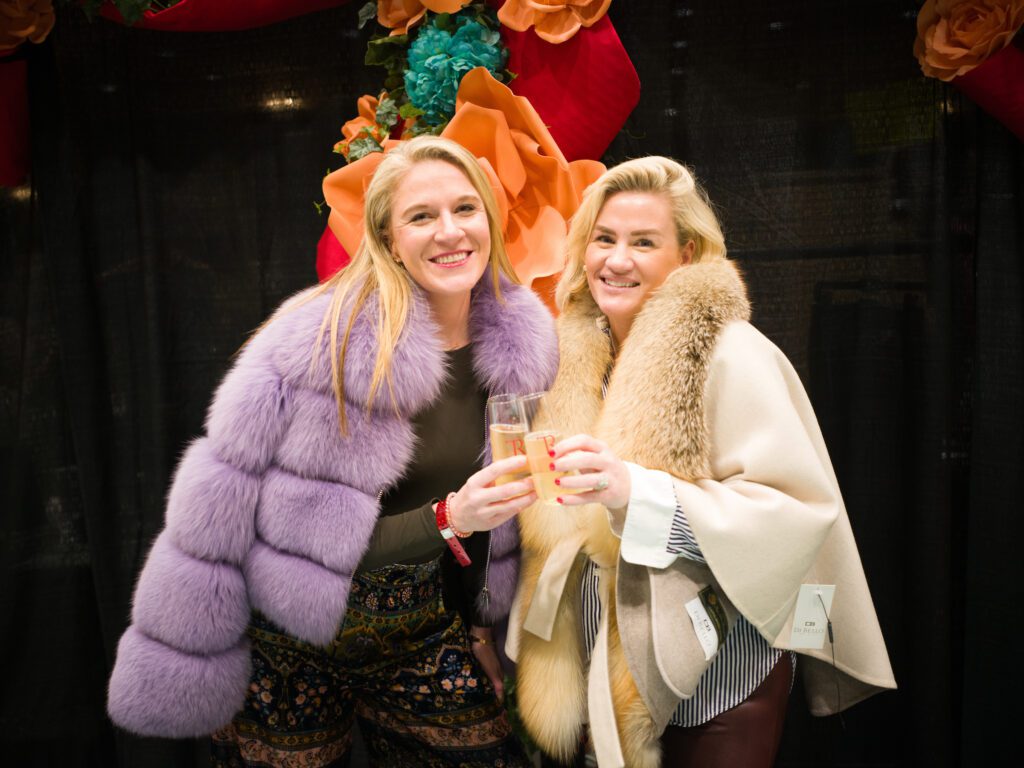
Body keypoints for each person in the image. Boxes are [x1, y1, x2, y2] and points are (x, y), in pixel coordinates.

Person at [107, 135, 559, 767]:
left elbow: (501, 514)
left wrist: (480, 624)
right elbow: (258, 519)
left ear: (491, 218)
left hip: (417, 624)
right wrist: (450, 518)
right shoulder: (324, 335)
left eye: (465, 208)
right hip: (290, 633)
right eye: (421, 216)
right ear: (389, 239)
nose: (449, 232)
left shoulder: (525, 345)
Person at [508, 156, 896, 768]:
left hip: (718, 681)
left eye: (643, 242)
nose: (616, 260)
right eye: (604, 238)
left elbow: (792, 515)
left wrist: (633, 492)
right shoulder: (566, 357)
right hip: (598, 670)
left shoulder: (732, 353)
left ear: (686, 255)